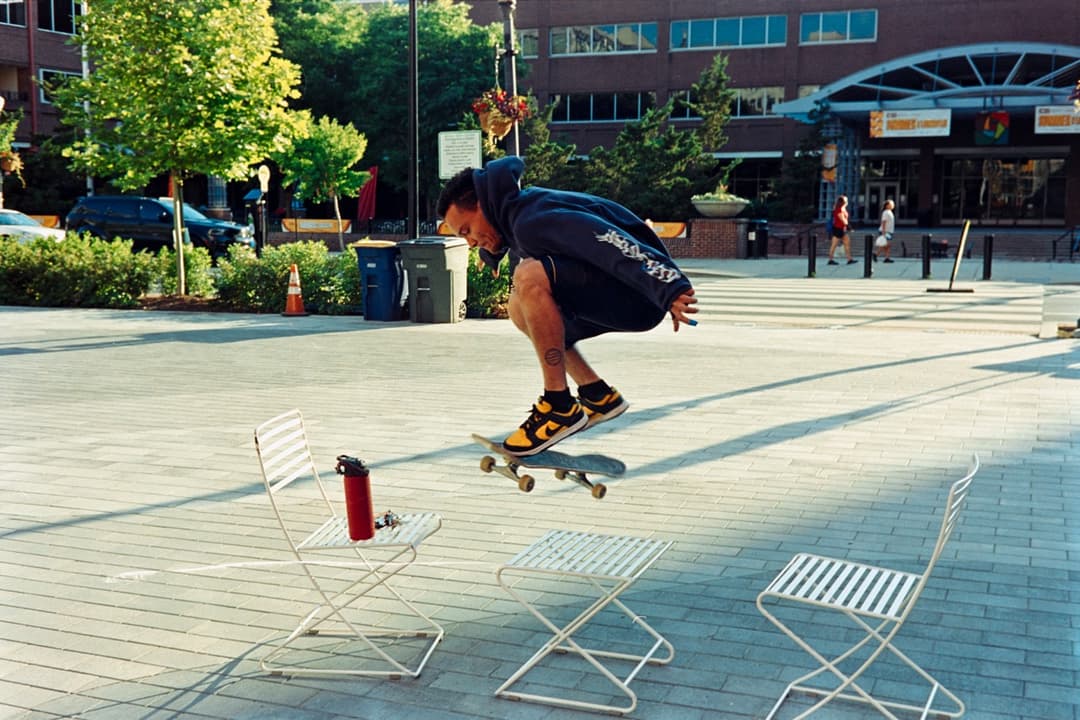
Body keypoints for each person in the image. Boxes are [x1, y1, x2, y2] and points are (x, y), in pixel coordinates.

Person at [437, 156, 698, 456]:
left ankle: (558, 406)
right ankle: (597, 394)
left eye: (467, 230)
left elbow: (608, 239)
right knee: (517, 304)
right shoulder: (516, 217)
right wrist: (491, 256)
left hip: (639, 295)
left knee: (529, 276)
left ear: (483, 205)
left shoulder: (532, 219)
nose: (470, 242)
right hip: (622, 292)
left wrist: (668, 286)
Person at [827, 195, 856, 265]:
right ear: (843, 201)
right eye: (846, 200)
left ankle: (849, 259)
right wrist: (849, 227)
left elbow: (845, 219)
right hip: (838, 229)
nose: (847, 201)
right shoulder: (838, 209)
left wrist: (847, 226)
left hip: (843, 229)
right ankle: (830, 260)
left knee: (847, 243)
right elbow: (842, 219)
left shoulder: (843, 209)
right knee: (834, 245)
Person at [875, 199, 895, 263]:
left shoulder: (890, 212)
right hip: (885, 231)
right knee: (886, 244)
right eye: (891, 204)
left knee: (887, 246)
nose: (893, 205)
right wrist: (883, 232)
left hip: (889, 231)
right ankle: (875, 254)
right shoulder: (886, 212)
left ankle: (887, 258)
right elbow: (883, 222)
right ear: (887, 205)